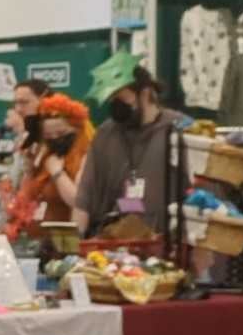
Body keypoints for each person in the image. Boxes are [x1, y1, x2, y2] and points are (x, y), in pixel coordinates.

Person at [75, 61, 177, 236]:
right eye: (111, 99)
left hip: (166, 240)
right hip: (113, 240)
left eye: (120, 97)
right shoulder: (106, 133)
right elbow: (86, 194)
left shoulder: (178, 129)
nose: (115, 104)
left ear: (144, 94)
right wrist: (75, 241)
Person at [3, 94, 93, 242]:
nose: (55, 139)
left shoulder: (87, 157)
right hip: (38, 241)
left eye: (61, 133)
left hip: (68, 242)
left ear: (77, 130)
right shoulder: (42, 155)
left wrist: (57, 173)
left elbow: (79, 201)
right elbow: (28, 194)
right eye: (48, 136)